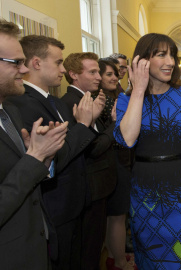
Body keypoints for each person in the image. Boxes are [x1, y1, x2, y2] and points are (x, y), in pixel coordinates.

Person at [113, 33, 181, 269]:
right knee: (152, 257)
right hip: (144, 194)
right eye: (161, 55)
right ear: (142, 60)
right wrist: (138, 89)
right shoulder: (126, 100)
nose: (170, 62)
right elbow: (127, 138)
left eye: (172, 56)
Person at [8, 34, 100, 269]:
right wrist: (83, 126)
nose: (63, 69)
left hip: (74, 201)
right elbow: (56, 156)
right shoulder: (21, 104)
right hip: (55, 205)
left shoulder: (56, 102)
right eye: (58, 62)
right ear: (37, 63)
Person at [0, 19, 68, 270]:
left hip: (35, 245)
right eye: (15, 62)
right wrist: (33, 158)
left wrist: (44, 157)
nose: (23, 69)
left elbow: (25, 177)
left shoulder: (9, 113)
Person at [62, 52, 116, 270]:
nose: (99, 77)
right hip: (90, 186)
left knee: (94, 245)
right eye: (92, 72)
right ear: (74, 74)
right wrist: (114, 125)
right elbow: (93, 148)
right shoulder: (72, 102)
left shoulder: (88, 98)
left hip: (97, 185)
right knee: (89, 248)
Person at [95, 59, 136, 270]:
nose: (115, 77)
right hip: (114, 162)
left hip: (119, 162)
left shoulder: (113, 97)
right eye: (109, 74)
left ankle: (115, 257)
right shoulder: (102, 100)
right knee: (117, 216)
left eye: (115, 74)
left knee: (117, 217)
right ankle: (118, 261)